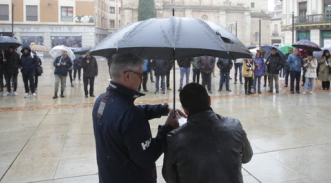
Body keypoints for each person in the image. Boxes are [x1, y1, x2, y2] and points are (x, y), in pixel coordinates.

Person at [92, 53, 183, 183]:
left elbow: (123, 114)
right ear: (127, 75)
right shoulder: (130, 115)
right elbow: (147, 157)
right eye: (140, 75)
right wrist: (168, 128)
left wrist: (162, 109)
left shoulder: (101, 101)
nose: (142, 80)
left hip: (109, 175)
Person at [162, 83, 252, 183]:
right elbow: (247, 157)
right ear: (209, 100)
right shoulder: (235, 126)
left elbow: (169, 177)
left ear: (184, 108)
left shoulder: (174, 138)